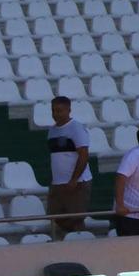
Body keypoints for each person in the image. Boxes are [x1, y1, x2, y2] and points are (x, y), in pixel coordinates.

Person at [44, 97, 93, 237]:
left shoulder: (76, 128)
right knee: (56, 215)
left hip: (76, 182)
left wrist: (74, 179)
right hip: (58, 182)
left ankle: (78, 245)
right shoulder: (52, 130)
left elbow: (83, 154)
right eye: (53, 110)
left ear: (68, 110)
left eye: (59, 110)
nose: (56, 114)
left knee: (75, 218)